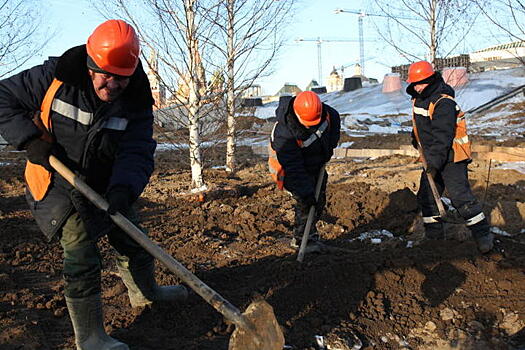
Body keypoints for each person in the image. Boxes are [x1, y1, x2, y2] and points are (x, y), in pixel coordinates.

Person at [0, 20, 187, 350]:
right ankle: (90, 338)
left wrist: (124, 188)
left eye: (122, 77)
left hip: (106, 181)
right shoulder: (54, 77)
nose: (113, 84)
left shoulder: (136, 99)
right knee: (81, 252)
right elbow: (2, 98)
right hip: (56, 179)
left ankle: (145, 294)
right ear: (90, 65)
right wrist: (30, 140)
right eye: (106, 75)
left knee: (133, 236)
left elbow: (137, 149)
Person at [406, 60, 494, 253]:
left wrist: (434, 164)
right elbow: (424, 126)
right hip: (433, 157)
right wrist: (415, 138)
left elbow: (442, 136)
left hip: (452, 157)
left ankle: (483, 235)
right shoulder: (420, 98)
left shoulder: (443, 102)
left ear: (429, 80)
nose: (416, 87)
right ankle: (434, 239)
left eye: (419, 83)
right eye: (414, 84)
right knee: (427, 197)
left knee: (460, 197)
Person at [270, 91, 340, 251]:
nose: (312, 125)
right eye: (308, 123)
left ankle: (310, 235)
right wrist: (305, 192)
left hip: (315, 161)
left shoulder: (328, 114)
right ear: (296, 114)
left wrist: (329, 148)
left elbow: (334, 125)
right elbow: (293, 167)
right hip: (288, 168)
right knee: (306, 201)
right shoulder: (284, 133)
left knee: (319, 199)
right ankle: (302, 241)